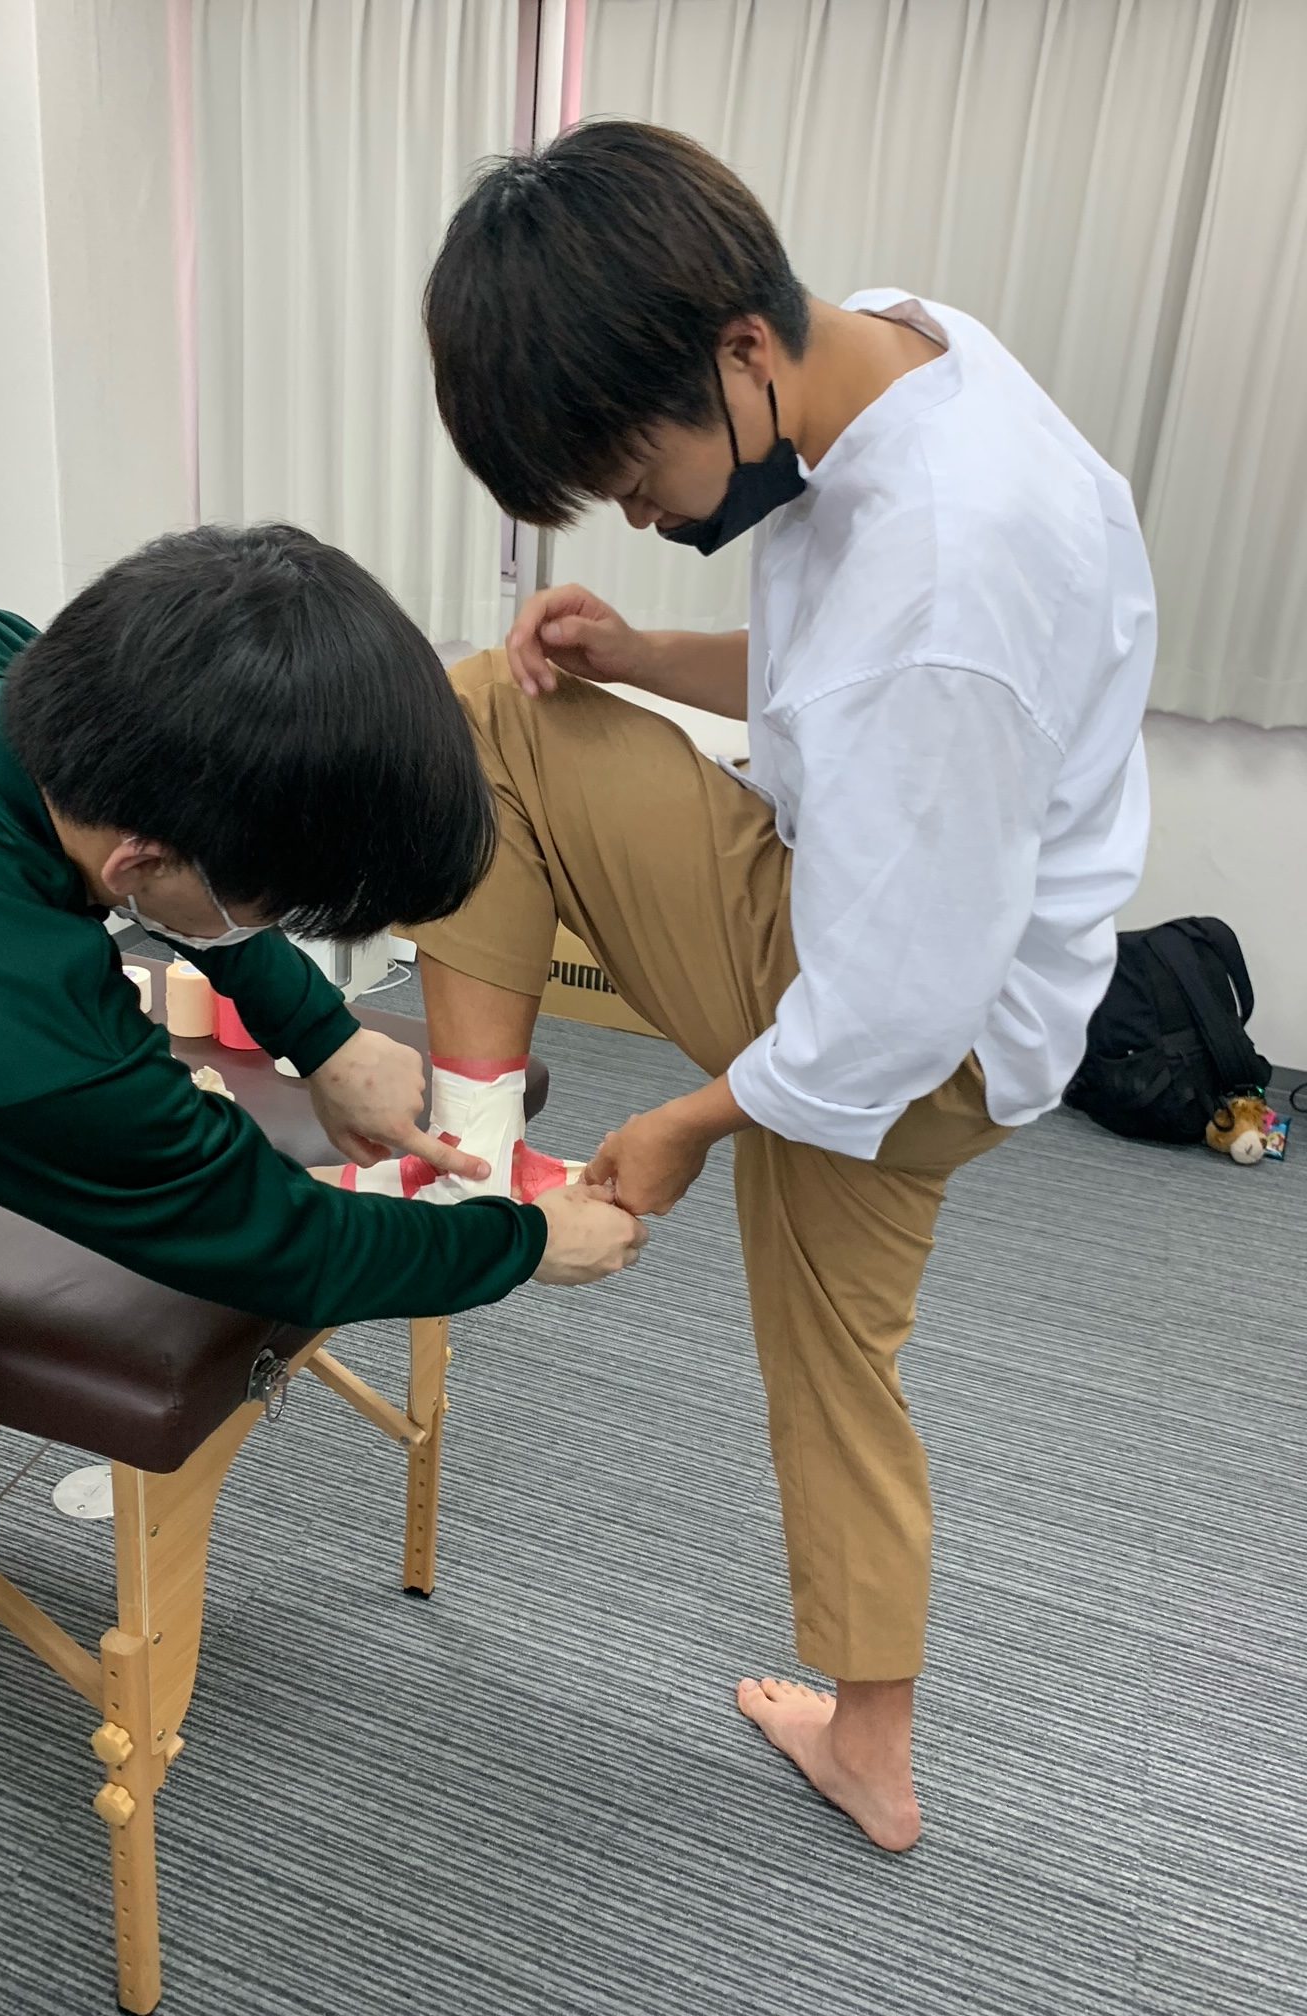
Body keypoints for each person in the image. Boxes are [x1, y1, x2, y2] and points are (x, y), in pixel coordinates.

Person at [383, 120, 1154, 1850]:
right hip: (955, 977)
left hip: (912, 1009)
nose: (642, 514)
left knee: (490, 711)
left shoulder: (952, 565)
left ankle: (475, 1162)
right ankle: (871, 1746)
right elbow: (842, 670)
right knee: (836, 1347)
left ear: (739, 350)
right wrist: (643, 655)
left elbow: (894, 1000)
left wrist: (677, 1125)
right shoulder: (894, 353)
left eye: (631, 472)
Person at [0, 520, 644, 2009]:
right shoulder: (5, 1007)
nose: (273, 934)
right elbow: (280, 1242)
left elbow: (169, 875)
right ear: (146, 860)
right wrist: (525, 1241)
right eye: (276, 913)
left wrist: (322, 1035)